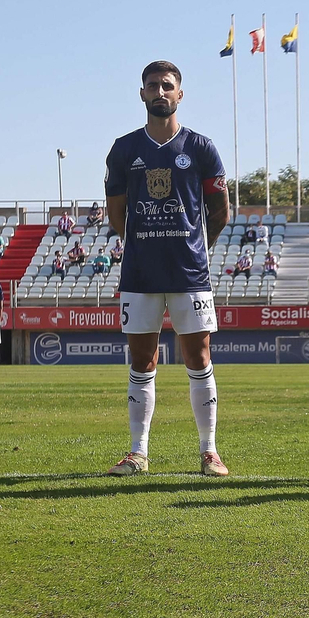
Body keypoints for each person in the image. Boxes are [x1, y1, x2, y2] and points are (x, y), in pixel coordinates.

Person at [104, 60, 231, 478]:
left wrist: (197, 247)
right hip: (140, 274)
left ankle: (209, 451)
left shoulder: (201, 148)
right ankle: (138, 452)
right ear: (142, 94)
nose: (160, 92)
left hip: (189, 272)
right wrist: (142, 246)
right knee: (141, 361)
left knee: (198, 356)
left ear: (180, 94)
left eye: (167, 86)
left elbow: (219, 211)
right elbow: (117, 215)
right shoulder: (124, 149)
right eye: (152, 86)